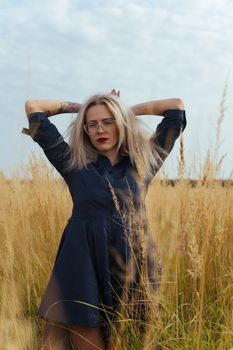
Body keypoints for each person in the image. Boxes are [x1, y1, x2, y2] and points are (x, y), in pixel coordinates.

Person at [22, 89, 186, 349]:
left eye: (108, 121)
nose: (101, 129)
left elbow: (175, 107)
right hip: (81, 270)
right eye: (93, 124)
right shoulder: (72, 163)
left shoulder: (143, 162)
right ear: (85, 130)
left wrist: (124, 110)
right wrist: (81, 107)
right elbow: (34, 107)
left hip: (132, 267)